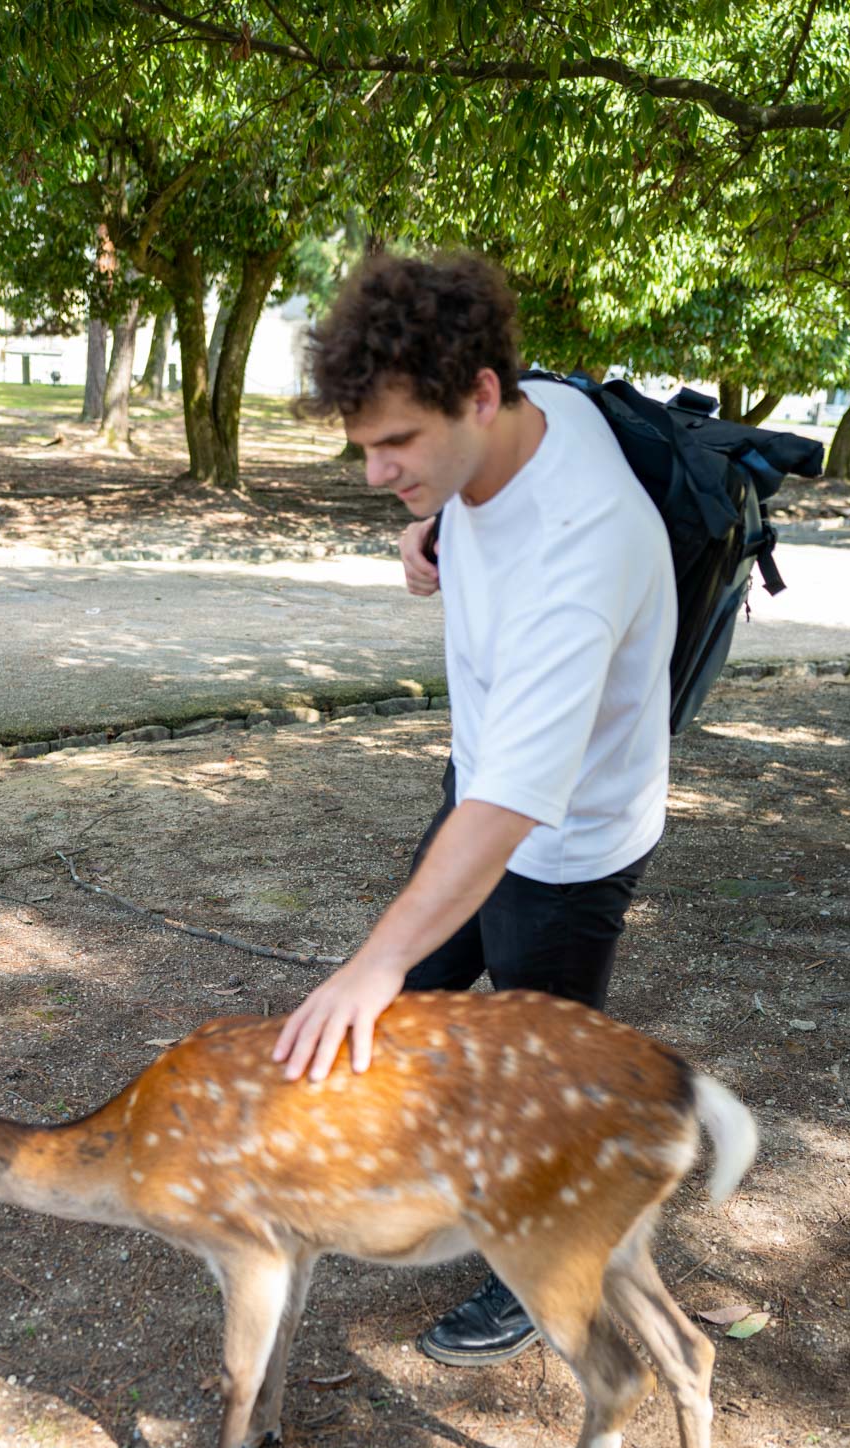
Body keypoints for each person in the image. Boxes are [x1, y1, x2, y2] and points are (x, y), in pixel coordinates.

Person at [272, 250, 676, 1366]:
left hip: (569, 834)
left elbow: (506, 817)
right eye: (364, 448)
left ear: (480, 398)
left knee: (538, 1083)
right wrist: (435, 517)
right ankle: (419, 1187)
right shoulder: (521, 416)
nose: (373, 475)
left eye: (396, 446)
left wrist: (369, 961)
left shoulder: (580, 548)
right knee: (414, 1010)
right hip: (488, 783)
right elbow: (481, 802)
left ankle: (534, 1273)